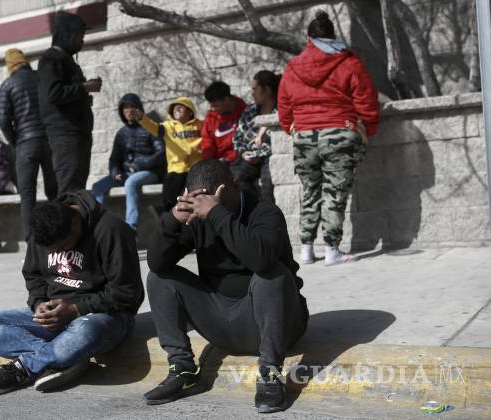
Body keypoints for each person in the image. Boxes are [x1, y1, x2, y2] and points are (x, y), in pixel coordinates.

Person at [144, 160, 309, 414]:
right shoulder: (197, 217)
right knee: (160, 278)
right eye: (198, 202)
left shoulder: (265, 212)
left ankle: (270, 374)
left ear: (234, 186)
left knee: (272, 274)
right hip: (223, 323)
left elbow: (261, 260)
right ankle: (183, 370)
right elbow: (157, 263)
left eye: (210, 201)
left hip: (277, 323)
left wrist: (217, 214)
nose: (203, 208)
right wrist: (172, 221)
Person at [0, 190, 144, 394]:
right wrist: (39, 303)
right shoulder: (43, 230)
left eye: (62, 246)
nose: (57, 254)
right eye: (52, 251)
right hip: (56, 317)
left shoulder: (112, 230)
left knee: (85, 332)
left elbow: (127, 293)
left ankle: (25, 368)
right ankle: (66, 357)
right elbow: (33, 275)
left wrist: (75, 309)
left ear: (75, 223)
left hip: (102, 316)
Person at [278, 10, 380, 266]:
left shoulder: (293, 67)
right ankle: (332, 250)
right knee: (334, 192)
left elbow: (284, 105)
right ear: (333, 36)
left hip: (304, 136)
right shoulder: (349, 63)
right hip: (340, 132)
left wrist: (291, 127)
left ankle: (306, 250)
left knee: (310, 190)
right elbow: (366, 100)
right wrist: (368, 129)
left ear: (308, 38)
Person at [0, 48, 58, 240]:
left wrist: (14, 140)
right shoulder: (42, 78)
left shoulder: (8, 84)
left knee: (28, 195)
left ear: (10, 65)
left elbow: (2, 118)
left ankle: (32, 242)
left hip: (25, 143)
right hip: (49, 139)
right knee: (54, 191)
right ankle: (59, 236)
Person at [38, 11, 102, 195]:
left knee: (77, 191)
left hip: (78, 135)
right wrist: (84, 87)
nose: (82, 40)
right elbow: (54, 93)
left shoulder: (66, 59)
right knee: (69, 191)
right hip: (65, 136)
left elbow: (67, 93)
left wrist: (84, 94)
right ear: (68, 34)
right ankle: (65, 215)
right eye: (80, 36)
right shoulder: (51, 59)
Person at [91, 93, 165, 230]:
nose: (129, 110)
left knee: (131, 183)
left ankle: (131, 227)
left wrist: (138, 165)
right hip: (125, 173)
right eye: (125, 108)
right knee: (97, 187)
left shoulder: (151, 128)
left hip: (149, 172)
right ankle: (95, 226)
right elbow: (114, 159)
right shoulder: (121, 133)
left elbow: (160, 154)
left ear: (139, 109)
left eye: (132, 107)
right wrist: (115, 172)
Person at [135, 96, 203, 212]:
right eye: (175, 108)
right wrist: (142, 118)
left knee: (194, 199)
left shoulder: (200, 125)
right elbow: (153, 128)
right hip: (176, 170)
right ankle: (166, 215)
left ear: (190, 111)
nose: (177, 109)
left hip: (197, 169)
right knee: (169, 198)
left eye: (181, 107)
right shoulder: (168, 127)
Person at [232, 70, 280, 202]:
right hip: (249, 157)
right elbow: (238, 138)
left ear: (267, 89)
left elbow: (280, 141)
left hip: (270, 156)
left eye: (255, 89)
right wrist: (244, 153)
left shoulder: (281, 110)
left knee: (267, 184)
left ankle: (269, 212)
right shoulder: (249, 111)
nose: (252, 93)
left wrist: (259, 154)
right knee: (235, 179)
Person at [201, 81, 246, 164]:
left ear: (226, 100)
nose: (213, 109)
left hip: (241, 160)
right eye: (211, 105)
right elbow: (207, 143)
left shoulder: (245, 112)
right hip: (219, 162)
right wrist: (208, 163)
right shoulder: (211, 118)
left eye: (215, 106)